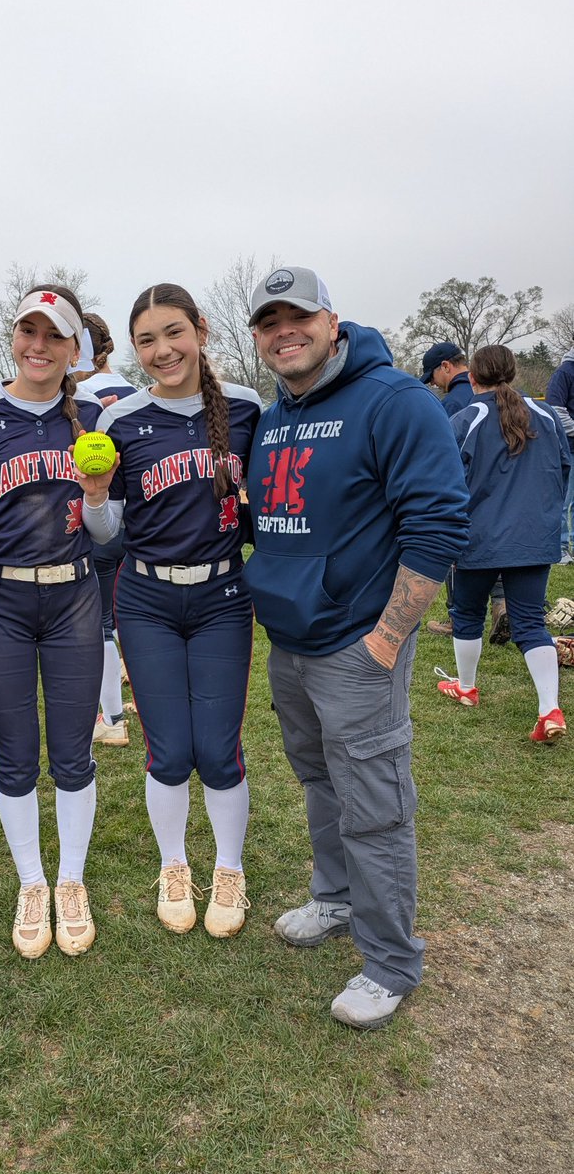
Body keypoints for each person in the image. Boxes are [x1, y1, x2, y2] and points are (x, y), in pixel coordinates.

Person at [242, 266, 469, 1029]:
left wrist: (386, 639)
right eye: (268, 322)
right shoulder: (274, 416)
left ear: (331, 322)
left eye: (298, 316)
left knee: (373, 804)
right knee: (319, 780)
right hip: (290, 641)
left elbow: (437, 524)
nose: (284, 332)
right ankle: (336, 898)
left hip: (357, 645)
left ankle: (390, 960)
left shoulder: (394, 401)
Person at [80, 284, 261, 940]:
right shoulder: (120, 421)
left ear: (200, 331)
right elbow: (106, 533)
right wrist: (94, 496)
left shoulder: (245, 407)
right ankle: (174, 865)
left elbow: (266, 505)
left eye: (173, 332)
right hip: (148, 599)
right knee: (169, 750)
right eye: (146, 340)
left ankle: (230, 869)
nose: (162, 350)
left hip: (222, 597)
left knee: (217, 749)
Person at [0, 285, 103, 960]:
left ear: (74, 348)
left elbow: (107, 530)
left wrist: (97, 497)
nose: (37, 346)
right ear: (13, 337)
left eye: (53, 334)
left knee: (72, 752)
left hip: (74, 596)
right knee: (14, 755)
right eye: (27, 331)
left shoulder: (94, 416)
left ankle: (71, 880)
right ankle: (32, 883)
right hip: (0, 599)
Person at [434, 345, 570, 742]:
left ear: (473, 377)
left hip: (478, 537)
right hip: (533, 536)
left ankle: (467, 687)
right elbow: (564, 468)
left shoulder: (466, 418)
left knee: (466, 612)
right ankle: (549, 709)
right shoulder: (546, 415)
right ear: (512, 373)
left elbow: (446, 479)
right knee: (530, 623)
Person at [75, 312, 138, 746]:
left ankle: (112, 718)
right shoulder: (134, 390)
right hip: (138, 523)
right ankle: (133, 699)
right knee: (125, 616)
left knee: (100, 625)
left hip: (101, 519)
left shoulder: (79, 397)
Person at [421, 343, 507, 639]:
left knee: (458, 551)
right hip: (506, 491)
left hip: (468, 491)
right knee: (497, 549)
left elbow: (441, 457)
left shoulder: (454, 403)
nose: (434, 384)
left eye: (432, 376)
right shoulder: (509, 398)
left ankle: (456, 616)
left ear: (446, 366)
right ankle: (502, 605)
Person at [545, 333, 574, 564]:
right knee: (564, 501)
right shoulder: (565, 372)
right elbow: (555, 410)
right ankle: (561, 547)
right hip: (569, 449)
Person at [420, 342, 473, 417]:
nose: (432, 383)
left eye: (432, 376)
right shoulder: (485, 388)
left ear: (445, 366)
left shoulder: (452, 404)